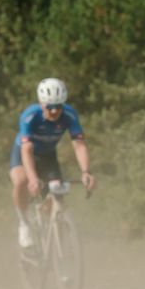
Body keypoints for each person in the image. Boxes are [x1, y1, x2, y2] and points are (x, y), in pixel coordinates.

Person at [10, 78, 95, 248]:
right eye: (50, 106)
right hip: (24, 154)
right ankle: (24, 223)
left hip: (48, 156)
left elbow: (79, 145)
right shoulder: (30, 115)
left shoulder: (69, 115)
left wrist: (86, 172)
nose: (55, 111)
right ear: (42, 104)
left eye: (59, 106)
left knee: (54, 200)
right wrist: (33, 178)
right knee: (22, 181)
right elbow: (26, 150)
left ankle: (56, 247)